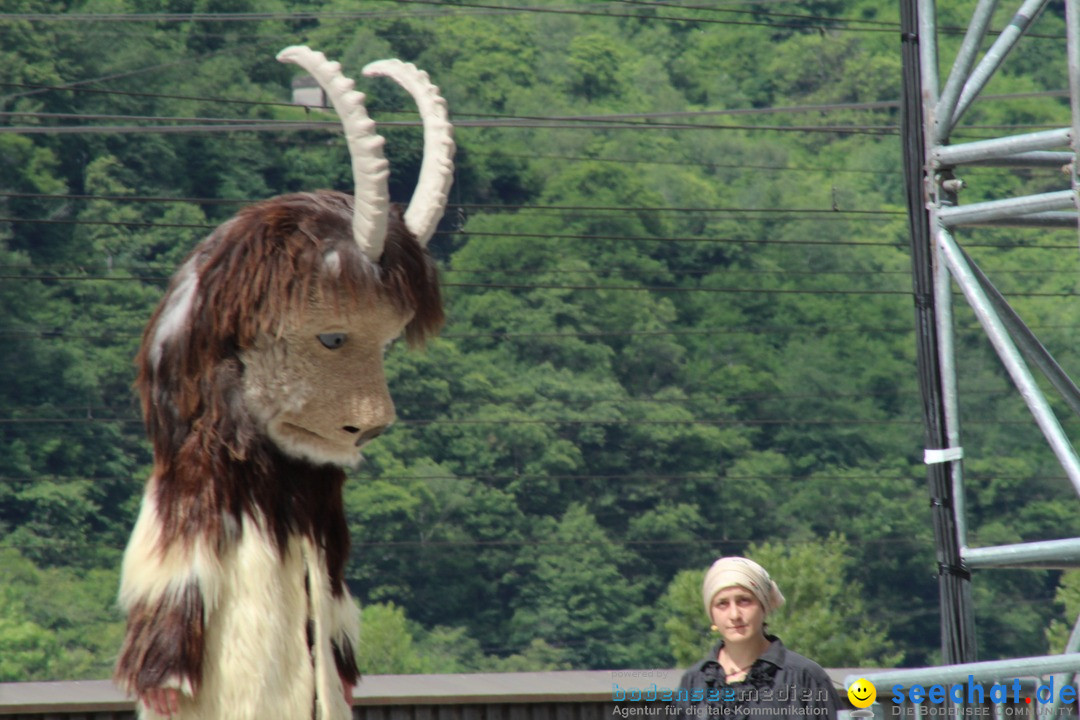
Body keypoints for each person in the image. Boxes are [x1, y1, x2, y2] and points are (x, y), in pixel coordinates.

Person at [671, 556, 841, 718]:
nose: (734, 614)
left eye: (744, 601)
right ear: (712, 615)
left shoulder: (804, 678)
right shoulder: (695, 681)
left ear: (763, 607)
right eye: (722, 603)